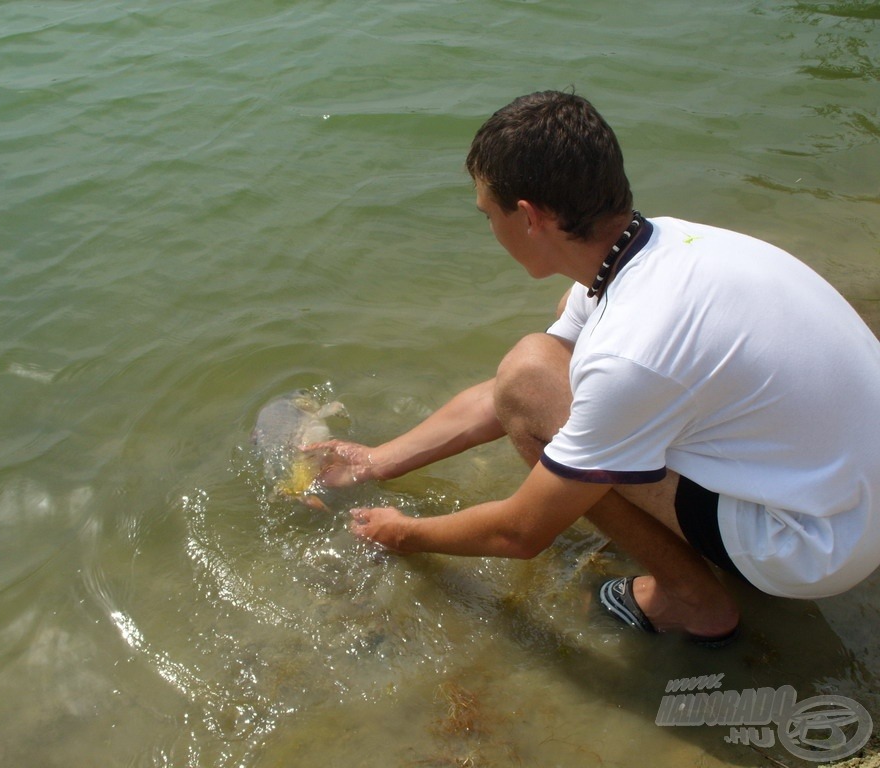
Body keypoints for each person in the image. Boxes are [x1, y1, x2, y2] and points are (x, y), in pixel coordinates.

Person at [308, 90, 880, 646]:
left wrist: (401, 533)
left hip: (816, 548)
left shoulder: (630, 348)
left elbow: (520, 530)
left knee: (546, 388)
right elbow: (506, 395)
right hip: (853, 493)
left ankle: (691, 599)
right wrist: (375, 461)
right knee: (546, 363)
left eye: (488, 213)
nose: (489, 228)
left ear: (530, 217)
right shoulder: (657, 247)